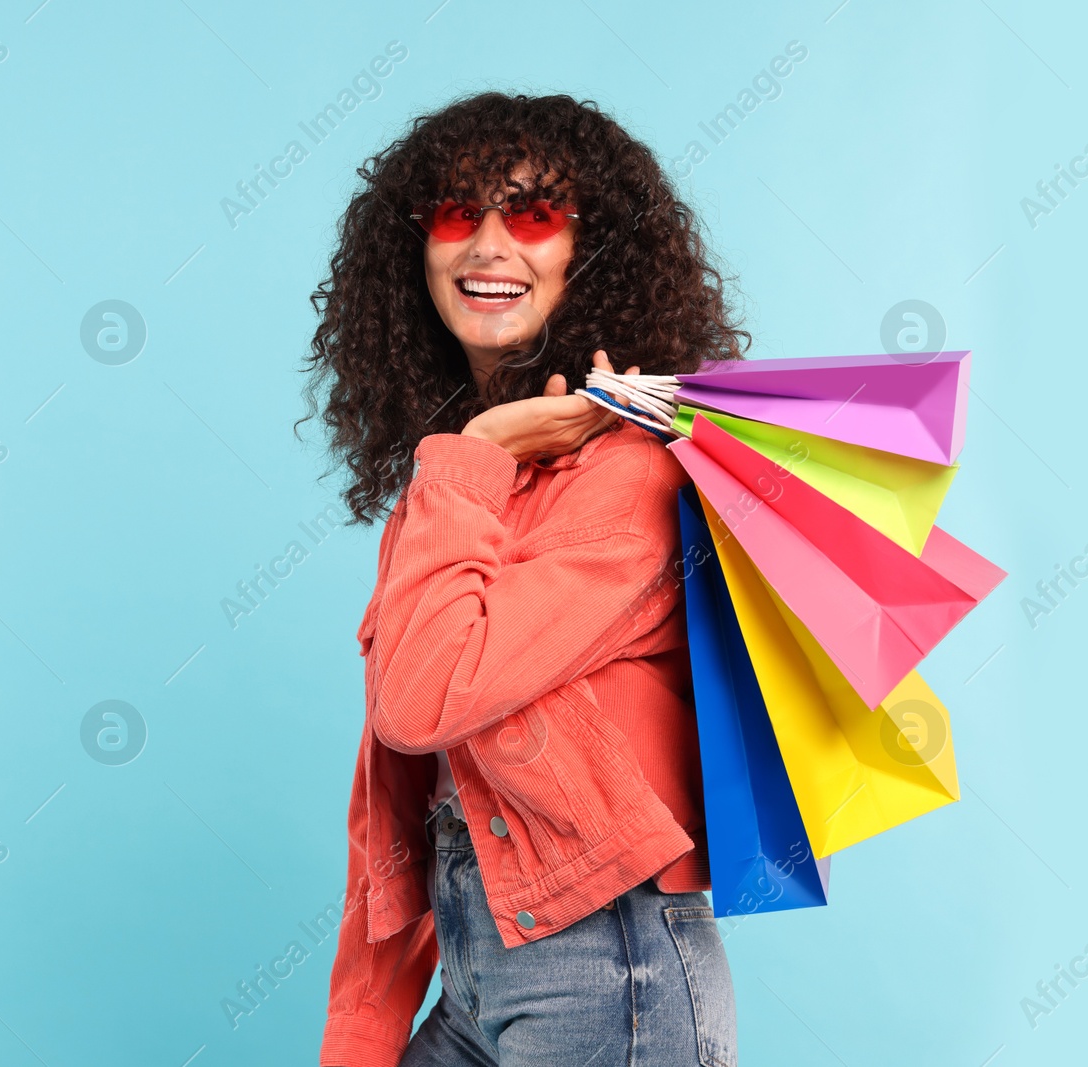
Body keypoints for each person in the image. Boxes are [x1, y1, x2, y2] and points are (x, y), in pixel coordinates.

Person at [297, 92, 750, 1067]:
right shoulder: (462, 488)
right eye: (458, 214)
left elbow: (423, 700)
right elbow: (398, 804)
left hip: (606, 978)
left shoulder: (629, 478)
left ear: (590, 253)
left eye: (533, 215)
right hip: (474, 975)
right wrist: (361, 1039)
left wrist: (468, 453)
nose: (487, 244)